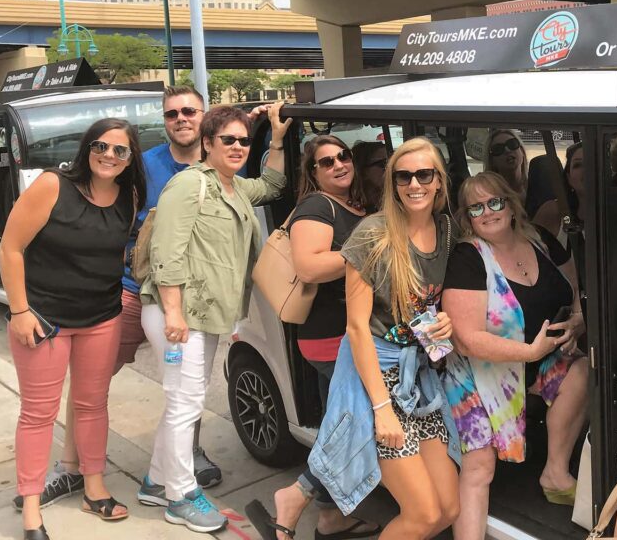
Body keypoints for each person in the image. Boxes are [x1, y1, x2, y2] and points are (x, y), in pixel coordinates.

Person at [12, 86, 219, 514]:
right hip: (127, 292)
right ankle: (72, 467)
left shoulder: (220, 157)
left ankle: (183, 458)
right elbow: (14, 246)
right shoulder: (142, 165)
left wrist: (271, 140)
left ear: (205, 116)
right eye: (171, 113)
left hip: (185, 296)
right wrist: (19, 308)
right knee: (93, 386)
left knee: (187, 382)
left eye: (189, 111)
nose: (181, 119)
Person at [140, 104, 289, 533]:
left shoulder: (233, 187)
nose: (239, 146)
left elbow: (273, 185)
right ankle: (180, 497)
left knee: (183, 402)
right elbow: (165, 254)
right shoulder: (189, 186)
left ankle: (155, 479)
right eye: (229, 139)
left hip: (201, 316)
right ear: (207, 144)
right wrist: (173, 314)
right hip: (179, 315)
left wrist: (275, 138)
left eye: (244, 140)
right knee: (185, 405)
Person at [0, 118, 148, 539]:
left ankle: (94, 486)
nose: (109, 155)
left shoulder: (129, 196)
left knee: (92, 404)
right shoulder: (52, 186)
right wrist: (19, 310)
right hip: (44, 319)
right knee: (38, 413)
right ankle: (31, 508)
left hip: (102, 317)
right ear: (87, 148)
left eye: (120, 150)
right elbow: (10, 247)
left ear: (129, 159)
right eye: (101, 146)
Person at [308, 137, 460, 540]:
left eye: (423, 174)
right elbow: (356, 327)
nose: (414, 184)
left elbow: (432, 302)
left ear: (439, 181)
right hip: (378, 377)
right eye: (403, 176)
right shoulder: (372, 235)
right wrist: (381, 409)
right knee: (424, 514)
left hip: (420, 375)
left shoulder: (446, 229)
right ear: (392, 183)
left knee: (449, 507)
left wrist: (444, 321)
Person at [245, 135, 380, 540]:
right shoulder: (316, 206)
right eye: (326, 162)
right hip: (332, 334)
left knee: (337, 423)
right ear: (314, 172)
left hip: (351, 331)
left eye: (343, 156)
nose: (338, 164)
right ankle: (295, 496)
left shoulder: (354, 203)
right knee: (361, 423)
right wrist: (376, 249)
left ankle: (331, 518)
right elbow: (308, 267)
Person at [441, 172, 589, 540]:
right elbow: (466, 340)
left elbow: (577, 293)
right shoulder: (467, 257)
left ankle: (555, 472)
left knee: (584, 370)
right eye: (476, 207)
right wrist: (529, 351)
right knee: (479, 468)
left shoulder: (540, 239)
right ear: (467, 215)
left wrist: (575, 324)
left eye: (495, 202)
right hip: (478, 374)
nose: (487, 212)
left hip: (537, 361)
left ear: (511, 204)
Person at [484, 129, 528, 200]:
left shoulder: (538, 188)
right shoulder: (488, 196)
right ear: (492, 161)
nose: (507, 150)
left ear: (522, 151)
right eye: (498, 149)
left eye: (512, 144)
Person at [352, 140, 390, 213]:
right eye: (384, 163)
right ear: (363, 171)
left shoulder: (396, 196)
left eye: (391, 161)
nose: (390, 168)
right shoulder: (357, 209)